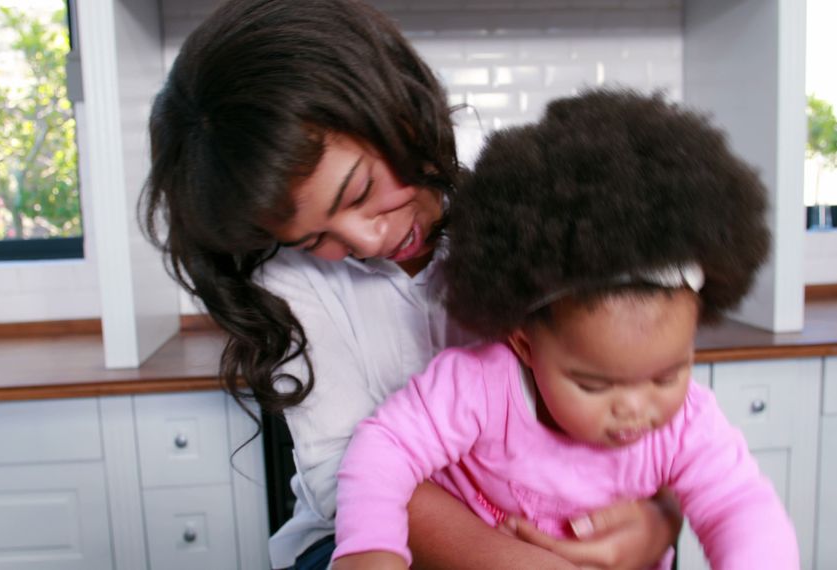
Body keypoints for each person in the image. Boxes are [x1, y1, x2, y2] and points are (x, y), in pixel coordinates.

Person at [142, 0, 681, 567]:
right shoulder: (292, 282)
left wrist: (659, 519)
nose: (365, 240)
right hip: (368, 528)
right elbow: (344, 470)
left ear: (399, 109)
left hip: (543, 512)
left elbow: (648, 393)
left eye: (358, 192)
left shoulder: (529, 214)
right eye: (313, 238)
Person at [333, 90, 800, 570]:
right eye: (593, 384)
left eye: (668, 375)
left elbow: (741, 508)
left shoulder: (688, 424)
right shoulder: (478, 387)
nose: (635, 408)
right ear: (523, 342)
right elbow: (385, 447)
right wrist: (370, 549)